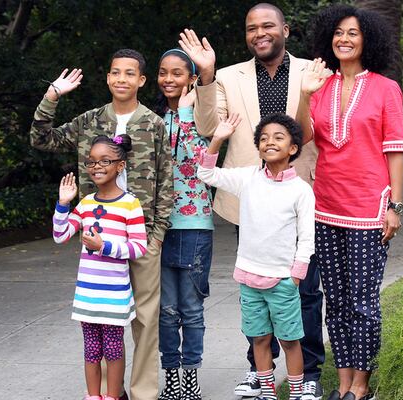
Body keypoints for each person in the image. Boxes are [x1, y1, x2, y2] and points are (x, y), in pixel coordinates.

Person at [182, 4, 326, 399]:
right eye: (251, 29)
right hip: (253, 196)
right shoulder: (227, 76)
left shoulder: (312, 71)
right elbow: (208, 127)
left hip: (299, 192)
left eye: (267, 26)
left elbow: (312, 132)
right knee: (258, 293)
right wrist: (206, 76)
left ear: (285, 29)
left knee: (305, 292)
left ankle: (308, 373)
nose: (259, 33)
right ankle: (258, 372)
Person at [30, 49, 173, 400]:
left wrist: (156, 236)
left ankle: (142, 393)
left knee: (144, 320)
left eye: (129, 73)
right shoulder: (89, 121)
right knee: (102, 321)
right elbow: (41, 138)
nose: (121, 79)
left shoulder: (153, 123)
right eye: (115, 73)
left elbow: (167, 181)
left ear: (141, 80)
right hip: (98, 239)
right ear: (108, 78)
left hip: (139, 236)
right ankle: (111, 393)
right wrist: (52, 96)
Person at [296, 5, 403, 400]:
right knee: (337, 302)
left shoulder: (384, 87)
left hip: (368, 209)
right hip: (325, 206)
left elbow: (395, 150)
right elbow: (301, 137)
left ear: (367, 41)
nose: (344, 38)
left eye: (353, 33)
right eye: (339, 32)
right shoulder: (319, 86)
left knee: (363, 302)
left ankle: (362, 385)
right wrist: (305, 95)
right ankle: (342, 381)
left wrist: (395, 205)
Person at [197, 113, 314, 400]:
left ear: (293, 149)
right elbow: (206, 174)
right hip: (249, 278)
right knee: (259, 338)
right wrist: (217, 139)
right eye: (263, 138)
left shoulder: (300, 190)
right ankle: (267, 392)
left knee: (289, 339)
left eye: (278, 138)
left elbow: (307, 237)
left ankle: (298, 392)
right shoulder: (248, 178)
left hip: (283, 281)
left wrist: (296, 275)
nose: (269, 142)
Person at [53, 135, 147, 400]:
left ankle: (113, 396)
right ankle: (93, 396)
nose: (96, 166)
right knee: (91, 350)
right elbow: (60, 235)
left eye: (105, 161)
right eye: (91, 162)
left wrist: (104, 246)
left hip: (114, 295)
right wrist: (63, 203)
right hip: (87, 295)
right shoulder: (85, 204)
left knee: (114, 350)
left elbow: (138, 248)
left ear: (120, 166)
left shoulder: (130, 204)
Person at [152, 48, 213, 400]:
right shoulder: (154, 119)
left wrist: (188, 111)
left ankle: (191, 378)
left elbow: (199, 159)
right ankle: (170, 377)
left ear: (191, 78)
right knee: (165, 310)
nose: (169, 79)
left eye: (177, 73)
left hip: (194, 226)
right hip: (159, 227)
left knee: (190, 309)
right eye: (163, 72)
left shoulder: (201, 116)